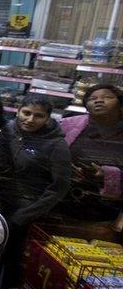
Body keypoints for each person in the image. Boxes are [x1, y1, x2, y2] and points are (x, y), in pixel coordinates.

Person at [3, 94, 72, 228]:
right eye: (26, 113)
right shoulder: (5, 130)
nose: (30, 119)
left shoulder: (56, 144)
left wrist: (23, 216)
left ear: (47, 118)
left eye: (39, 116)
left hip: (25, 212)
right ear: (18, 111)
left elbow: (59, 187)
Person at [58, 84, 123, 222]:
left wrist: (109, 175)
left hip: (111, 208)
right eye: (92, 98)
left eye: (107, 97)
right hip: (66, 199)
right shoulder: (67, 124)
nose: (98, 100)